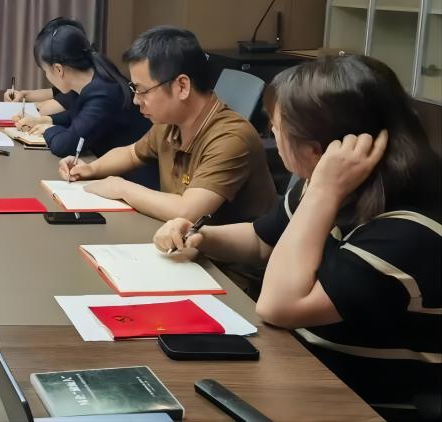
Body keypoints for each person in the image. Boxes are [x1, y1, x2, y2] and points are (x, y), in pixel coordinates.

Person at [152, 55, 440, 419]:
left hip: (363, 403)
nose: (272, 133)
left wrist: (324, 191)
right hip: (302, 367)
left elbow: (279, 306)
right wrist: (200, 236)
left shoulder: (406, 231)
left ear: (317, 151)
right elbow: (262, 241)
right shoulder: (326, 186)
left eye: (275, 127)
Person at [59, 26, 275, 225]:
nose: (136, 100)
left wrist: (121, 188)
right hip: (179, 244)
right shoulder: (170, 123)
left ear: (182, 86)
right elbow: (132, 154)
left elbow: (188, 212)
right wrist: (90, 168)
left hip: (220, 255)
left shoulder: (230, 137)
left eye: (142, 90)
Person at [12, 19, 150, 158]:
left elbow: (66, 146)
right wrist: (44, 120)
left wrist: (48, 130)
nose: (47, 76)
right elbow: (79, 116)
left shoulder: (102, 94)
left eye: (46, 71)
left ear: (58, 69)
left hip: (132, 170)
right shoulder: (96, 77)